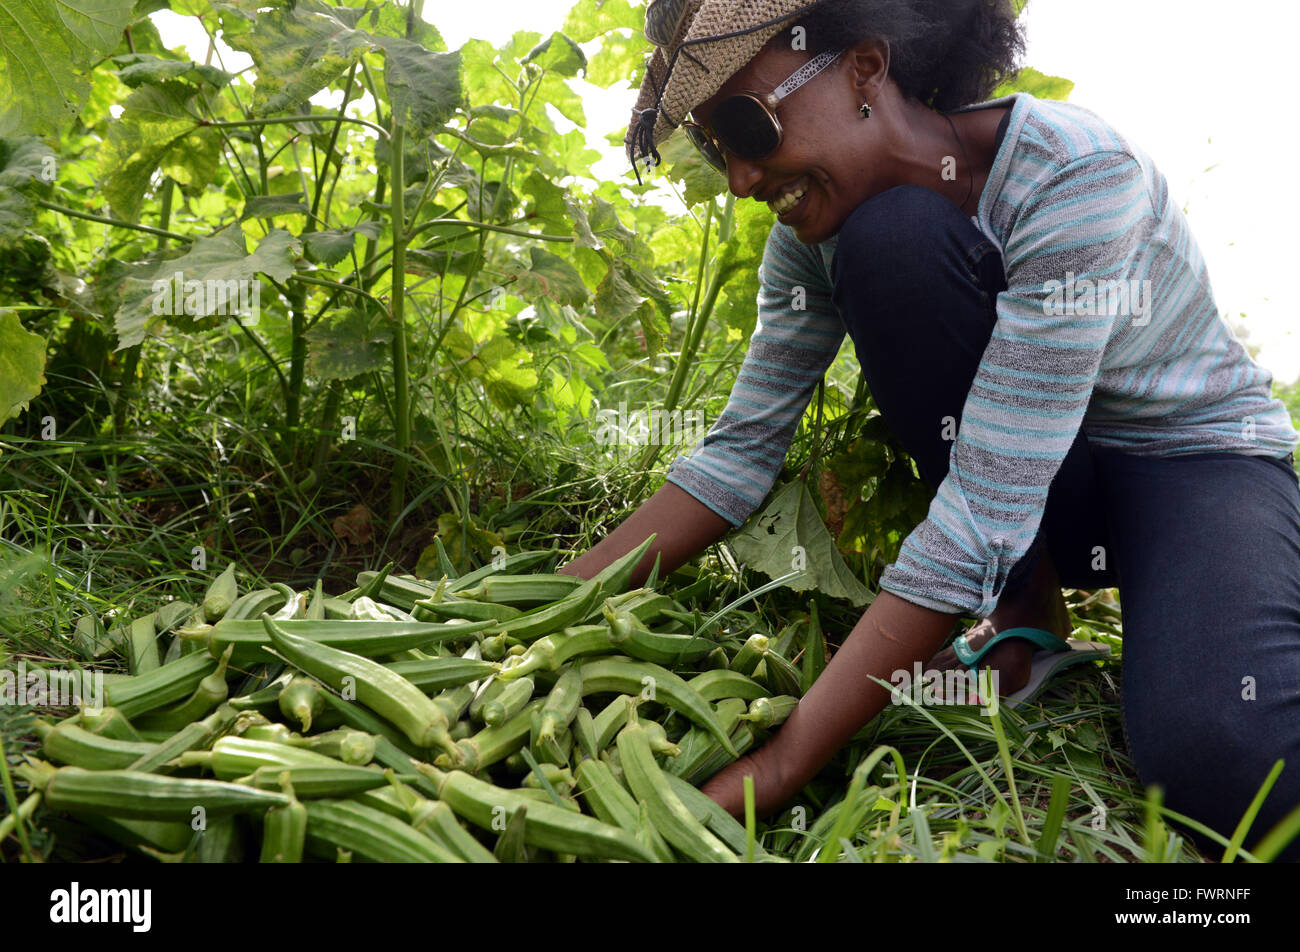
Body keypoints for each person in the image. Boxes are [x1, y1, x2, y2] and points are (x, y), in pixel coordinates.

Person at [560, 0, 1300, 861]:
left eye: (746, 126)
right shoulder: (817, 233)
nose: (739, 180)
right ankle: (1025, 618)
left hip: (1191, 461)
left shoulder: (1074, 171)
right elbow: (739, 453)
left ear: (865, 69)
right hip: (1037, 483)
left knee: (1223, 761)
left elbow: (985, 504)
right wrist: (540, 609)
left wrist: (787, 760)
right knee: (891, 239)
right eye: (717, 145)